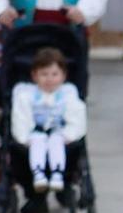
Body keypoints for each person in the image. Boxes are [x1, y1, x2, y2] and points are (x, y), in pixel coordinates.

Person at [11, 46, 86, 202]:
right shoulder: (26, 94)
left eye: (54, 74)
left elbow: (76, 115)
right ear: (34, 76)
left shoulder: (67, 94)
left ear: (63, 75)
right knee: (37, 142)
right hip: (35, 132)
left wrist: (70, 134)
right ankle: (38, 173)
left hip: (58, 132)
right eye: (44, 74)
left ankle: (58, 174)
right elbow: (21, 117)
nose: (49, 79)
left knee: (56, 141)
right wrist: (24, 138)